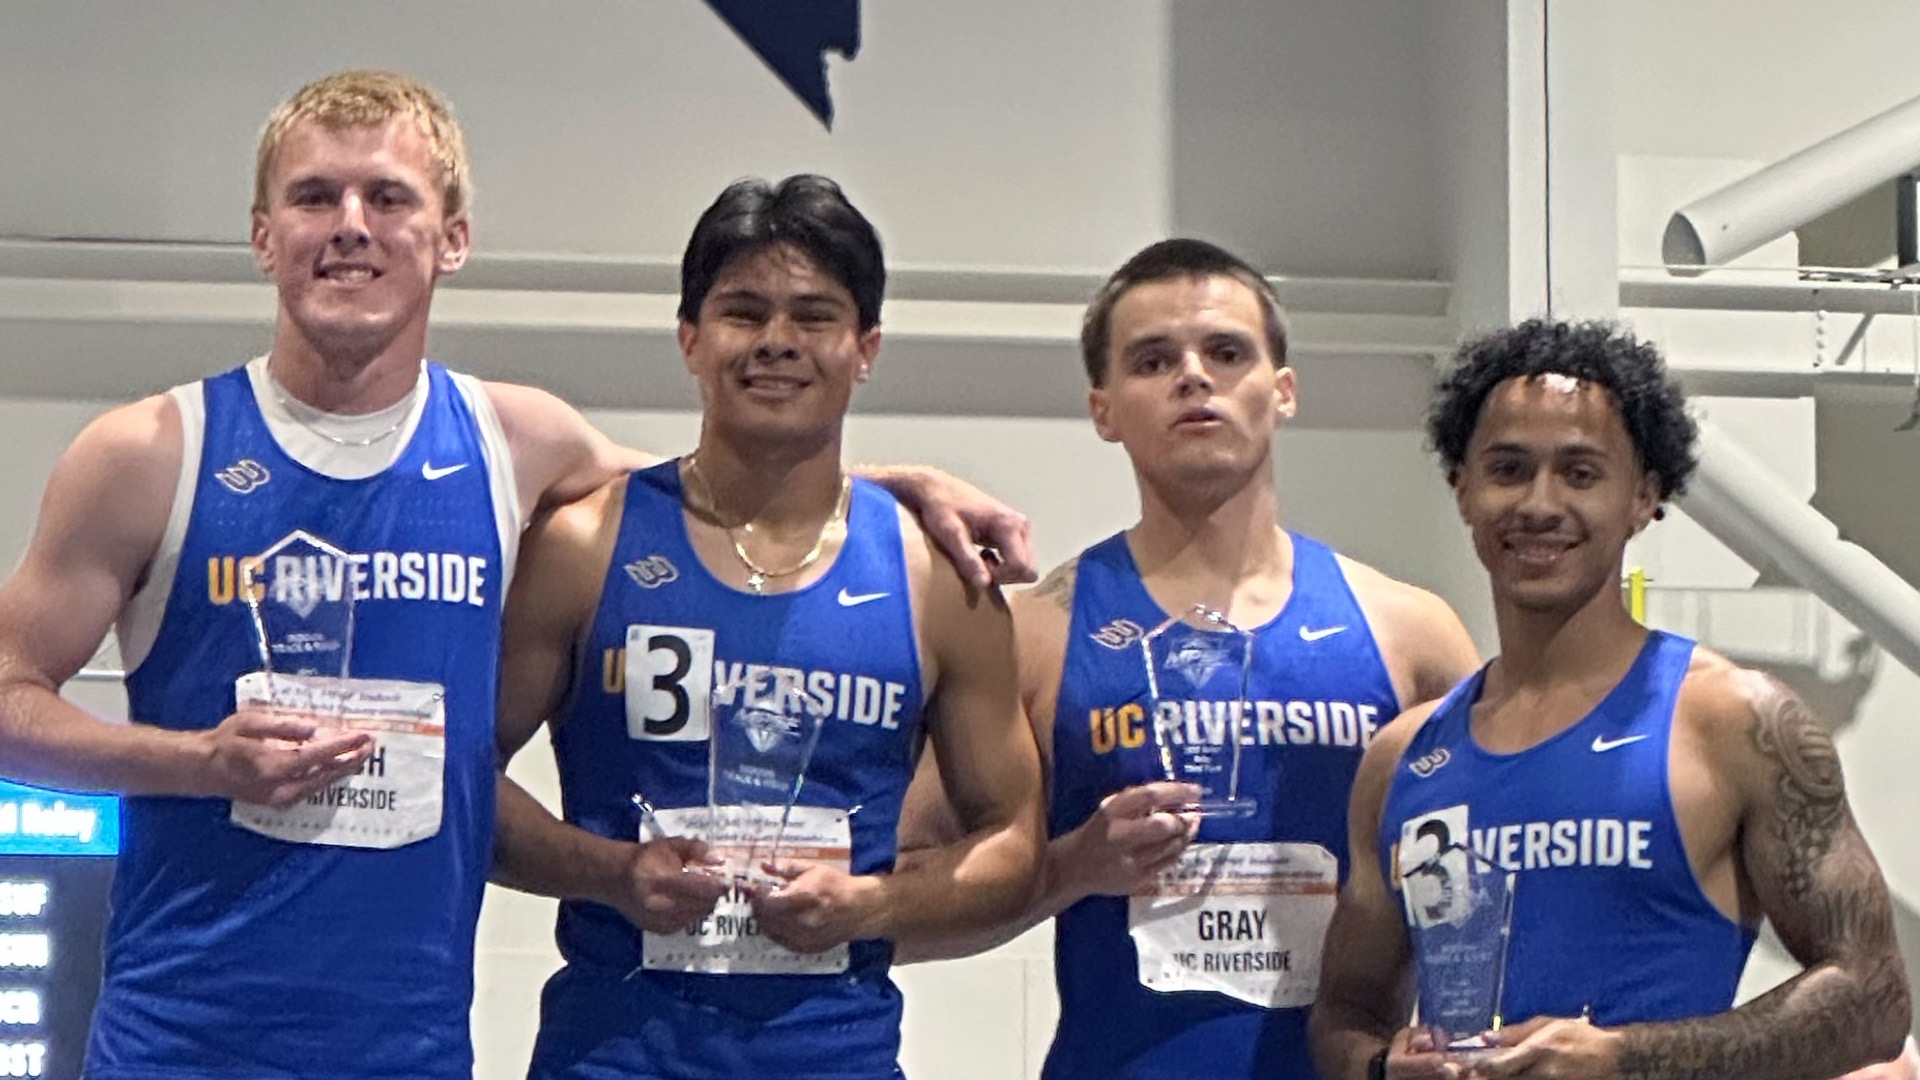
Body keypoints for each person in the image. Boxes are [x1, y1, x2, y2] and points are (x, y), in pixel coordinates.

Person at [0, 72, 1031, 1080]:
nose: (351, 225)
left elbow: (736, 482)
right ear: (264, 235)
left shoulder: (516, 441)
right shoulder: (147, 452)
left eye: (389, 197)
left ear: (451, 240)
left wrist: (898, 486)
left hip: (414, 1051)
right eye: (315, 196)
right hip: (179, 1042)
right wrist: (197, 761)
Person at [489, 173, 1046, 1080]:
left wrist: (869, 905)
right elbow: (460, 778)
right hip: (612, 1057)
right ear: (690, 339)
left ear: (865, 347)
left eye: (814, 316)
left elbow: (1013, 842)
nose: (777, 342)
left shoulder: (935, 579)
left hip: (837, 1058)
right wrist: (612, 874)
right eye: (743, 312)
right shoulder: (585, 546)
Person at [896, 238, 1480, 1080]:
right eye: (1153, 359)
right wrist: (1071, 867)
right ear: (1103, 408)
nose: (1194, 376)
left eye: (1227, 352)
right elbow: (893, 912)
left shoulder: (1412, 634)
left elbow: (1485, 902)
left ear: (1283, 390)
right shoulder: (1038, 635)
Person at [1309, 319, 1911, 1080]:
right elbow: (1345, 1014)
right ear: (1462, 488)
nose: (1539, 502)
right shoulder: (1400, 761)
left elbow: (1875, 998)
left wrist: (1626, 1059)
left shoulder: (1735, 723)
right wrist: (1382, 1069)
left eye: (1581, 473)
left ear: (1644, 497)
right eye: (1508, 468)